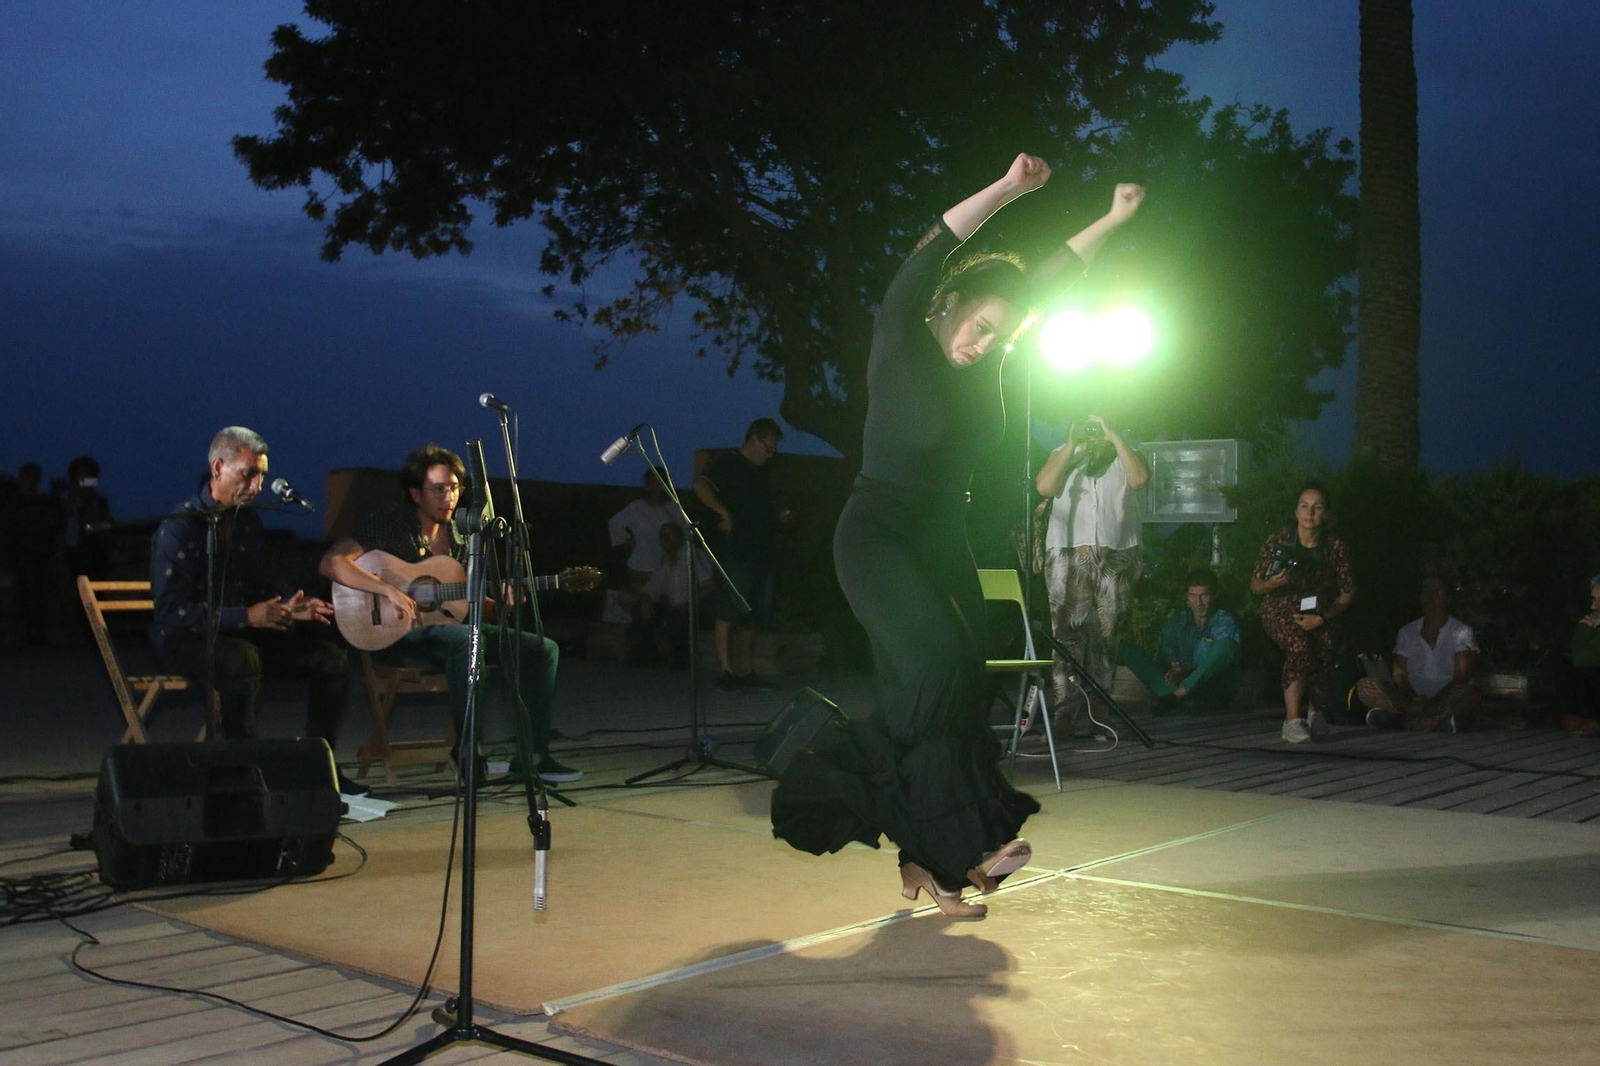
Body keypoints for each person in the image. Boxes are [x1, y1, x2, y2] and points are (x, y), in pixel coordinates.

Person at [769, 152, 1146, 918]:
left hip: (945, 542)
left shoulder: (988, 359)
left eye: (998, 337)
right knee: (936, 665)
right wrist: (1008, 189)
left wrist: (1112, 219)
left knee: (950, 685)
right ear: (949, 304)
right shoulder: (902, 335)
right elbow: (933, 243)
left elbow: (1050, 277)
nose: (981, 344)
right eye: (977, 325)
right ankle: (965, 847)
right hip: (875, 536)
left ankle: (927, 861)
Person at [318, 444, 581, 784]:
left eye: (454, 487)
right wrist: (386, 589)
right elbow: (332, 563)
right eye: (438, 489)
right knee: (466, 641)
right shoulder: (386, 526)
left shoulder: (462, 537)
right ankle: (467, 751)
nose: (449, 497)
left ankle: (532, 755)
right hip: (391, 636)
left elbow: (463, 608)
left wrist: (500, 602)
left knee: (543, 649)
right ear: (415, 493)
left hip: (444, 634)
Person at [149, 427, 359, 792]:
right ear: (218, 469)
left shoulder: (247, 522)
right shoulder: (180, 527)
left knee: (332, 658)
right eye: (249, 474)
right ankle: (237, 773)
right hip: (187, 641)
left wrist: (291, 607)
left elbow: (262, 585)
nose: (258, 486)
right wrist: (246, 616)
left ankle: (317, 765)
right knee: (242, 658)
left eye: (262, 474)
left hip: (240, 636)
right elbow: (172, 613)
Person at [1035, 412, 1149, 732]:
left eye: (1099, 425)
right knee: (1066, 636)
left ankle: (1099, 714)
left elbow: (1139, 479)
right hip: (1068, 551)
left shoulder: (1129, 451)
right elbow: (1045, 487)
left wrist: (1115, 437)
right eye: (1089, 426)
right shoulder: (1063, 452)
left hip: (1117, 551)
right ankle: (1064, 713)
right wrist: (1073, 444)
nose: (1094, 432)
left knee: (1106, 636)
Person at [1250, 485, 1355, 743]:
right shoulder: (1279, 541)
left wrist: (1323, 617)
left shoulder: (1335, 547)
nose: (1310, 513)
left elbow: (1347, 592)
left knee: (1328, 645)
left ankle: (1315, 712)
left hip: (1317, 609)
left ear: (1326, 513)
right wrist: (1274, 583)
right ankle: (1291, 720)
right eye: (1304, 506)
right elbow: (1256, 586)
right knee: (1299, 645)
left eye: (1317, 507)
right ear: (1296, 511)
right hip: (1281, 606)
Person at [695, 418, 782, 690]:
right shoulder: (730, 463)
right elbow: (700, 485)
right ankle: (726, 671)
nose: (770, 454)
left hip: (763, 550)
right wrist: (723, 512)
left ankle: (745, 670)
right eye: (768, 448)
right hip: (736, 550)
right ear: (754, 440)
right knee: (729, 609)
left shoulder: (762, 471)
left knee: (752, 614)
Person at [1357, 576, 1482, 733]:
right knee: (1367, 686)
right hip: (1412, 701)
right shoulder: (1407, 632)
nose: (1430, 596)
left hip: (1445, 700)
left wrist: (1430, 703)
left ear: (1448, 598)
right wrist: (1414, 699)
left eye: (1436, 591)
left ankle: (1410, 722)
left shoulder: (1462, 632)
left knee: (1468, 693)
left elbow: (1460, 678)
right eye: (1426, 591)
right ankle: (1435, 722)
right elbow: (1400, 675)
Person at [1123, 567, 1240, 712]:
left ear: (1214, 595)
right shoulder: (1178, 622)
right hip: (1176, 684)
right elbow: (1167, 654)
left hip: (1207, 687)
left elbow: (1219, 658)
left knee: (1228, 645)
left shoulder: (1223, 620)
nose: (1198, 603)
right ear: (1187, 596)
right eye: (1193, 596)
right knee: (1129, 650)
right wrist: (1174, 667)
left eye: (1204, 596)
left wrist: (1186, 673)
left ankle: (1179, 696)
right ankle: (1179, 699)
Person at [631, 521, 713, 669]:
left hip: (699, 607)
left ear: (680, 537)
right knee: (641, 609)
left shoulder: (693, 555)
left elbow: (709, 586)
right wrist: (645, 599)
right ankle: (646, 659)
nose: (666, 539)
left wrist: (689, 604)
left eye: (670, 535)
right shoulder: (665, 561)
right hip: (675, 607)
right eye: (662, 536)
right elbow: (653, 587)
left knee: (678, 616)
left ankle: (680, 664)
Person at [3, 462, 61, 645]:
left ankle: (39, 632)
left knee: (42, 593)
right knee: (26, 593)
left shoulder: (44, 502)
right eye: (28, 477)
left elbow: (53, 523)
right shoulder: (13, 503)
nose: (31, 481)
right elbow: (10, 526)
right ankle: (29, 633)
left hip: (43, 552)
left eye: (34, 477)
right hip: (22, 553)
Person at [608, 470, 677, 595]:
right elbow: (614, 523)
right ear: (647, 486)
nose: (656, 487)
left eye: (659, 483)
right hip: (639, 566)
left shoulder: (673, 508)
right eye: (653, 483)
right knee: (641, 602)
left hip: (665, 566)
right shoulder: (637, 507)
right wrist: (628, 540)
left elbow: (681, 533)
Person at [60, 455, 113, 579]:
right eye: (82, 473)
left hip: (96, 546)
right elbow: (67, 514)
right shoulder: (67, 496)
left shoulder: (99, 497)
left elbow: (105, 516)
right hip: (75, 546)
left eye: (89, 474)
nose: (85, 477)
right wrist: (76, 492)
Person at [1563, 574, 1600, 733]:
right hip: (1590, 667)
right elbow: (1581, 655)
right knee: (1586, 674)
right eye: (1594, 597)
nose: (1595, 604)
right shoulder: (1588, 622)